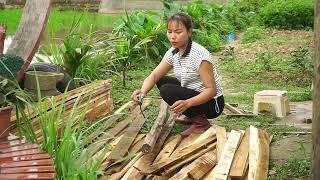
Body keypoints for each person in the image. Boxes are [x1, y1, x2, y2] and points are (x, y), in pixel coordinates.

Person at [131, 12, 224, 136]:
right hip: (194, 92)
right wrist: (142, 92)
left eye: (178, 32)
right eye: (169, 32)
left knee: (167, 90)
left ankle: (201, 122)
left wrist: (187, 103)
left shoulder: (200, 56)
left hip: (212, 104)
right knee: (161, 80)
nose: (172, 37)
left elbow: (211, 90)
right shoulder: (173, 52)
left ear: (189, 32)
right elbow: (154, 76)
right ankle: (191, 115)